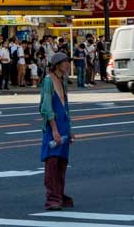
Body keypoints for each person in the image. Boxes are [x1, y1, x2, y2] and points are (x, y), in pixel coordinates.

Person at [39, 50, 75, 210]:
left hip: (64, 125)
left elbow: (66, 107)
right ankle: (52, 198)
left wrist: (70, 130)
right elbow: (45, 107)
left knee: (62, 163)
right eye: (65, 62)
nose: (68, 64)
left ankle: (59, 194)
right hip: (53, 127)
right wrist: (54, 130)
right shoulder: (48, 80)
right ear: (57, 65)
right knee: (52, 162)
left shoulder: (63, 81)